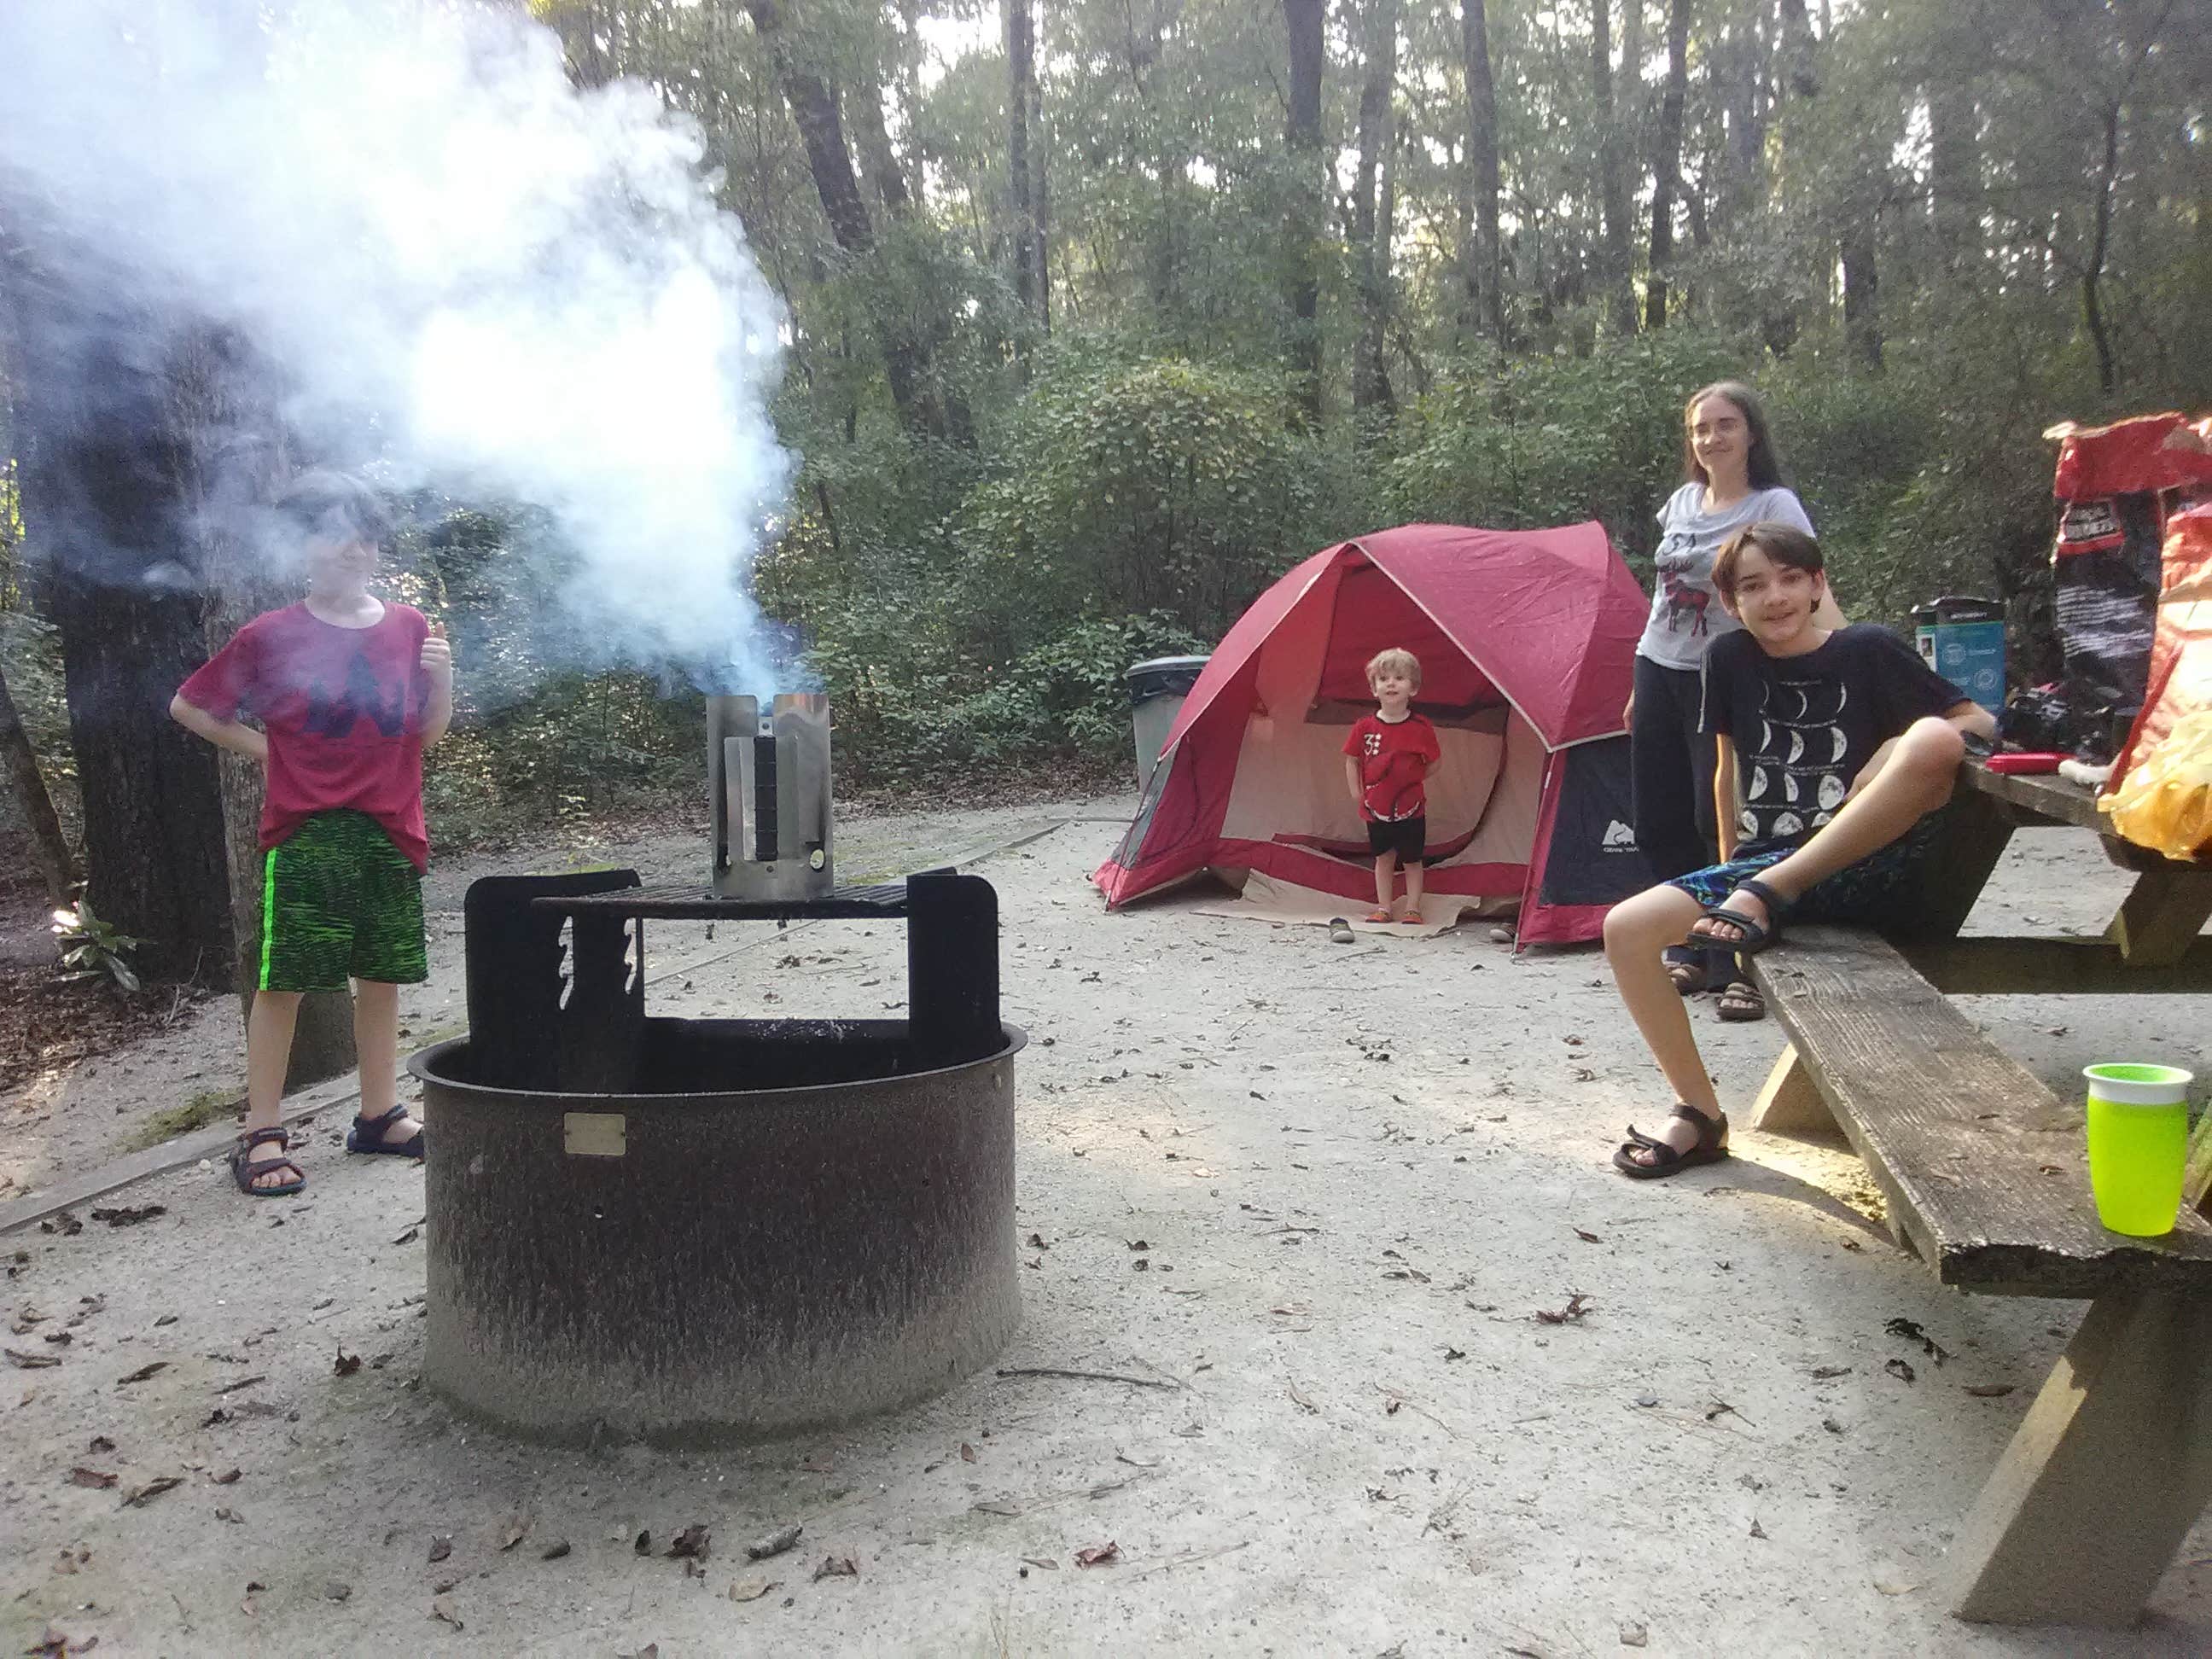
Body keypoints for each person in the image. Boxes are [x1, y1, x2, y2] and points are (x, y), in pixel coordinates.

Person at [1603, 523, 1995, 1178]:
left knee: (1932, 738)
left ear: (1818, 585)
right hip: (1764, 868)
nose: (1775, 597)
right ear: (1731, 603)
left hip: (1869, 863)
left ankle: (1768, 891)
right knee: (1625, 928)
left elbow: (1978, 722)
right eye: (1753, 586)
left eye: (1790, 579)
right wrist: (1728, 875)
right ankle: (1699, 1114)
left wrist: (1897, 744)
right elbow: (1727, 774)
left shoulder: (1868, 648)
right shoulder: (1727, 658)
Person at [171, 471, 454, 1196]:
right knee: (287, 980)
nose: (352, 548)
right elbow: (190, 707)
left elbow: (423, 736)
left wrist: (444, 681)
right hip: (309, 829)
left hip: (392, 826)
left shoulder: (410, 627)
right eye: (332, 533)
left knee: (383, 975)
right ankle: (260, 1132)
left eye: (365, 535)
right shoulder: (269, 635)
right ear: (299, 544)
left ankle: (379, 1115)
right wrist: (270, 752)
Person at [1627, 381, 1847, 1022]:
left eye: (1725, 425)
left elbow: (1808, 583)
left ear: (1751, 433)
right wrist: (1637, 683)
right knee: (1658, 818)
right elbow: (1665, 597)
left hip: (1727, 673)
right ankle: (1686, 945)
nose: (1711, 438)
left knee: (1716, 815)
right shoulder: (1681, 502)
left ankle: (1732, 958)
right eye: (1700, 428)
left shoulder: (1774, 504)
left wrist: (1840, 658)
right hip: (1658, 665)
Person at [1342, 648, 1441, 924]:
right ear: (1374, 689)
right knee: (1383, 858)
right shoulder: (1364, 727)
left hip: (1412, 808)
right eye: (1384, 679)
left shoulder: (1421, 727)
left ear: (1413, 688)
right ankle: (1384, 907)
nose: (1391, 684)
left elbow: (1435, 762)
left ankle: (1413, 908)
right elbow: (1352, 760)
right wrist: (1357, 793)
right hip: (1376, 808)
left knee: (1412, 859)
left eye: (1399, 678)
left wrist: (1411, 780)